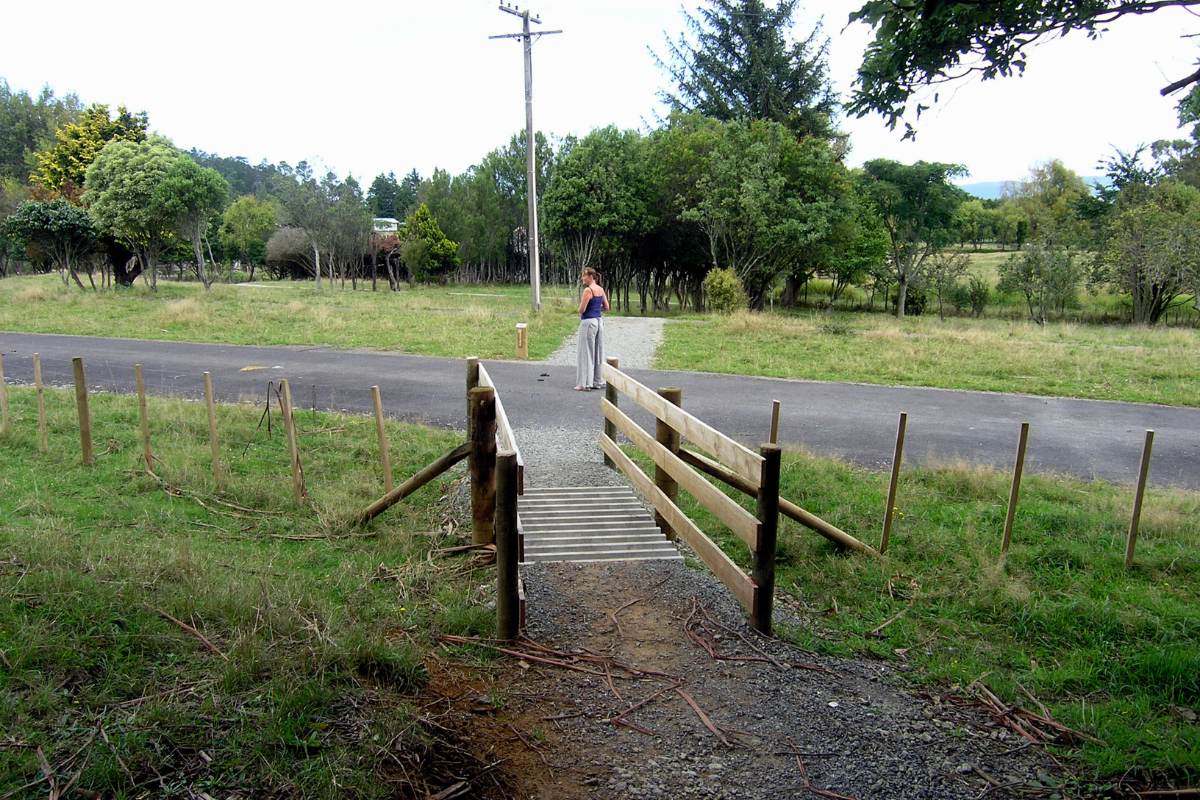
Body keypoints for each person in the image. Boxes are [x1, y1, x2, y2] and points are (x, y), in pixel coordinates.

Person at [575, 267, 609, 391]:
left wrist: (586, 308)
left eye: (584, 276)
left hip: (588, 322)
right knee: (598, 352)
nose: (582, 278)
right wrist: (596, 308)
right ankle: (597, 380)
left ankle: (585, 383)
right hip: (599, 321)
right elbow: (607, 307)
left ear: (590, 277)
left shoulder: (588, 291)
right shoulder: (600, 289)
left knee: (586, 352)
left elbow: (581, 310)